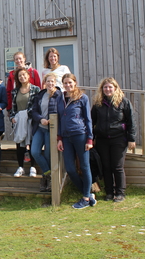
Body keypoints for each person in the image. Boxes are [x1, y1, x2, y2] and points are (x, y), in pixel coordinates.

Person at [91, 77, 136, 203]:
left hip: (119, 139)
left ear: (115, 88)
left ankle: (120, 193)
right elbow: (92, 122)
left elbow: (131, 122)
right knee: (106, 167)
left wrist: (131, 138)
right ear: (102, 89)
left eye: (110, 87)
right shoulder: (98, 104)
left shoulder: (123, 102)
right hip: (102, 140)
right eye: (105, 87)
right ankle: (109, 192)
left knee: (117, 167)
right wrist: (92, 138)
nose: (108, 89)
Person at [56, 73, 96, 209]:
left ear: (75, 83)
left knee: (84, 166)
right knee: (70, 169)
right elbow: (60, 119)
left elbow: (88, 119)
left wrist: (90, 139)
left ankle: (85, 198)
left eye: (70, 83)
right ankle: (88, 193)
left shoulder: (82, 98)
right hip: (66, 137)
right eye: (65, 83)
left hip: (80, 134)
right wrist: (59, 138)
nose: (68, 85)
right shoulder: (60, 98)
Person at [31, 73, 62, 192]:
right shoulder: (41, 94)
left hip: (52, 129)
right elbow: (34, 111)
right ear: (45, 82)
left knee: (49, 155)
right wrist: (40, 119)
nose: (50, 84)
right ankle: (48, 174)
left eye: (52, 81)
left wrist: (52, 120)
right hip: (40, 127)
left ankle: (48, 180)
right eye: (48, 81)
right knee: (35, 151)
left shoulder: (59, 95)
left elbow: (61, 111)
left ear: (55, 82)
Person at [9, 67, 40, 178]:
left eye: (24, 75)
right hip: (18, 121)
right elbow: (13, 107)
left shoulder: (35, 89)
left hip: (31, 120)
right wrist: (12, 117)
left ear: (28, 76)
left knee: (31, 144)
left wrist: (27, 114)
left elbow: (37, 106)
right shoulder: (15, 91)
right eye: (19, 76)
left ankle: (33, 166)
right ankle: (20, 167)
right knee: (19, 144)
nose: (22, 77)